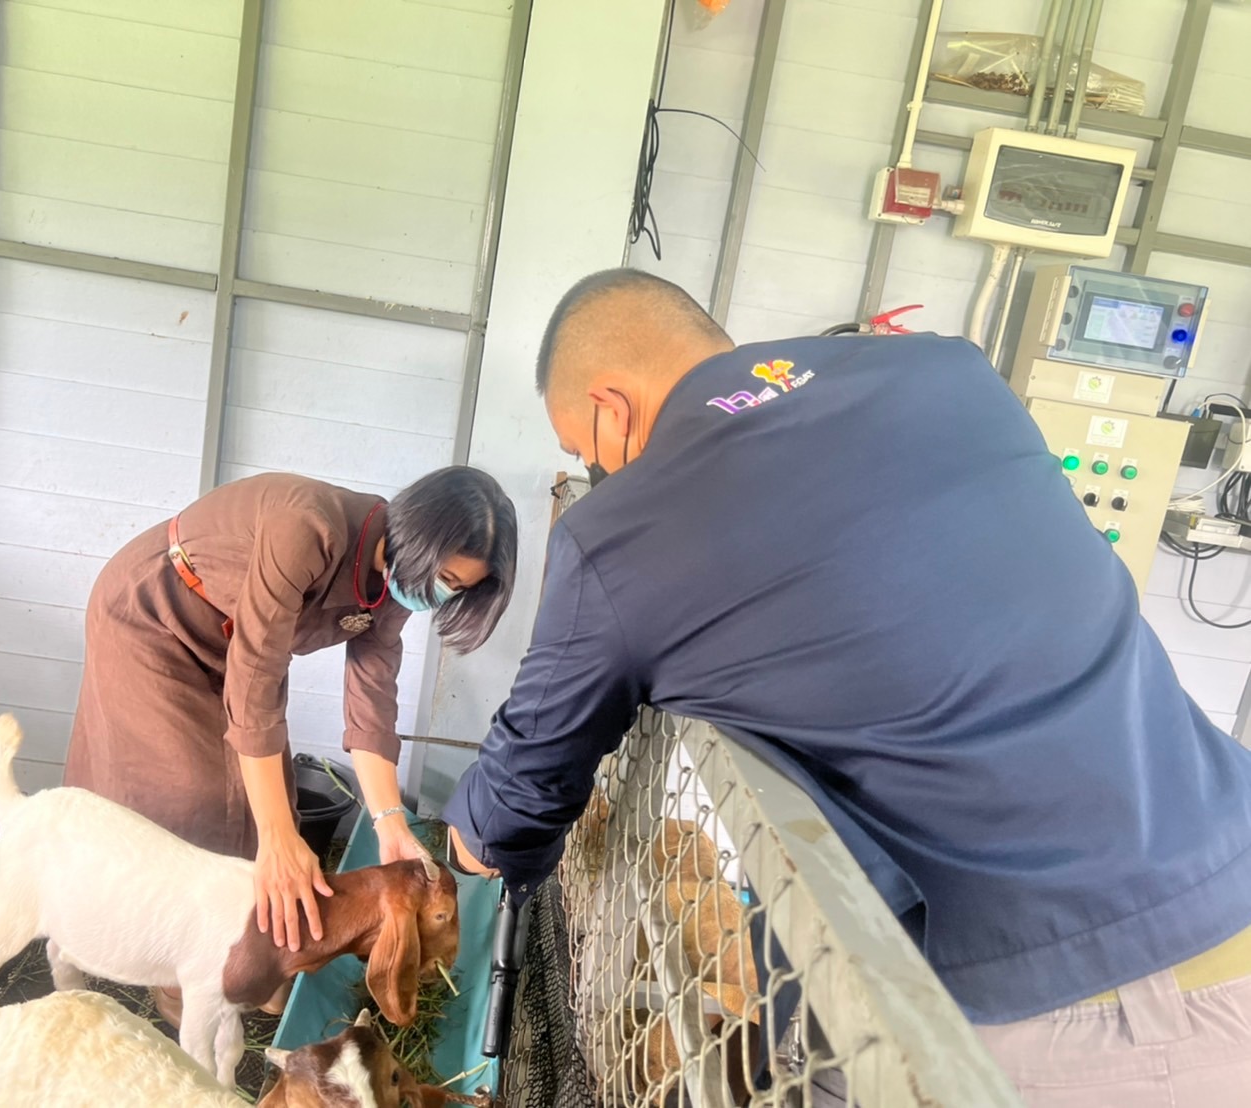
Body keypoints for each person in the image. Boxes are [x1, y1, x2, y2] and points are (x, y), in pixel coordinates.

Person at [443, 268, 1251, 1105]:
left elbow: (518, 794)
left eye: (584, 450)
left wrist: (471, 845)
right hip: (1231, 852)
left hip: (1077, 1002)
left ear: (610, 406)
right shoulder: (949, 372)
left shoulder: (622, 531)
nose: (594, 470)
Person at [64, 467, 516, 1018]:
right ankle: (184, 986)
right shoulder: (307, 528)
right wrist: (278, 840)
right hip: (155, 623)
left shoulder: (401, 580)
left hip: (233, 647)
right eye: (445, 576)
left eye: (459, 588)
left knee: (267, 804)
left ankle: (258, 963)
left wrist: (389, 822)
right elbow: (256, 688)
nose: (442, 593)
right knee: (195, 800)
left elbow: (372, 697)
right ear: (420, 539)